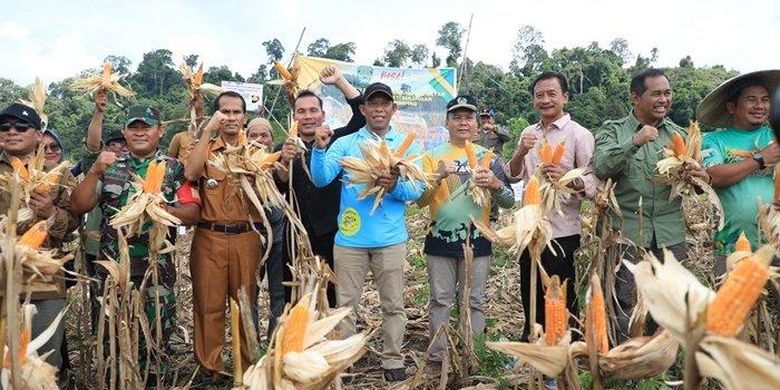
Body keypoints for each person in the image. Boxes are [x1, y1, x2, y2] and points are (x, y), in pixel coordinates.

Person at [70, 105, 201, 379]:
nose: (140, 133)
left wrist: (157, 207)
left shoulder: (174, 169)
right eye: (133, 128)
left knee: (156, 335)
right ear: (125, 132)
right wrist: (94, 171)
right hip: (112, 269)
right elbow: (79, 205)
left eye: (147, 127)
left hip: (156, 270)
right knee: (111, 336)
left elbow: (192, 213)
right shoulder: (109, 167)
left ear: (160, 130)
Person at [310, 82, 423, 382]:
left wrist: (394, 186)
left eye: (385, 103)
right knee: (346, 306)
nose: (379, 109)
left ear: (393, 109)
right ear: (363, 109)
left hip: (390, 240)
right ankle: (344, 359)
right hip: (350, 240)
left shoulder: (407, 145)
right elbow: (321, 179)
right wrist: (319, 150)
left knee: (393, 305)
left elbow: (417, 188)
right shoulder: (346, 143)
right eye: (373, 104)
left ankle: (393, 360)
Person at [593, 68, 710, 342]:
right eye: (656, 93)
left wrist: (697, 177)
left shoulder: (679, 134)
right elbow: (601, 166)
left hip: (670, 233)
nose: (663, 99)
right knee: (624, 299)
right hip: (626, 233)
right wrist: (634, 142)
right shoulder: (614, 130)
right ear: (635, 98)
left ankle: (663, 363)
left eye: (667, 93)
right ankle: (625, 364)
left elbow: (696, 188)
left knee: (671, 298)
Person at [417, 95, 514, 374]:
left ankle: (474, 353)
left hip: (478, 240)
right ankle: (438, 357)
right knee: (440, 299)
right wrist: (436, 177)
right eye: (456, 117)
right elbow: (420, 202)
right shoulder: (432, 156)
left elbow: (508, 201)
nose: (463, 122)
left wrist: (495, 184)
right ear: (446, 122)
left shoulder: (489, 158)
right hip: (440, 240)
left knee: (473, 301)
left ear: (476, 125)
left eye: (468, 117)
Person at [507, 71, 598, 341]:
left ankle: (565, 347)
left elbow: (594, 180)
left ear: (565, 97)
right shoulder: (528, 134)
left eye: (551, 94)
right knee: (530, 290)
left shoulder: (579, 135)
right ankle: (532, 342)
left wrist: (569, 180)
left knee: (561, 296)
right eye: (539, 95)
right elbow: (513, 175)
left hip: (561, 232)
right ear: (533, 101)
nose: (545, 100)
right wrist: (521, 151)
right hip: (529, 230)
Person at [184, 91, 265, 384]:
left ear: (244, 116)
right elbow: (191, 173)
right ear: (217, 115)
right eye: (225, 112)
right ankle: (210, 369)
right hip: (210, 237)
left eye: (236, 112)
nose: (231, 118)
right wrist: (207, 130)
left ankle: (246, 368)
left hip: (247, 237)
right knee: (208, 304)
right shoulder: (205, 148)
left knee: (246, 304)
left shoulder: (255, 152)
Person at [273, 65, 364, 316]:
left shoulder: (337, 140)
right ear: (294, 117)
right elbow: (276, 188)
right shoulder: (285, 148)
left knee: (332, 296)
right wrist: (283, 164)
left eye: (314, 110)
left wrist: (339, 81)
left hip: (332, 232)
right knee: (296, 297)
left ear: (323, 115)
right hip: (296, 235)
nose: (308, 116)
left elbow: (361, 115)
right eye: (301, 111)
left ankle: (329, 349)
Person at [0, 103, 80, 369]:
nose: (11, 132)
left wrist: (51, 213)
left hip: (43, 281)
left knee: (44, 361)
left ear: (38, 134)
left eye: (21, 127)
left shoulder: (57, 172)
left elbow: (73, 222)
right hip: (2, 278)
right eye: (4, 127)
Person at [698, 70, 780, 277]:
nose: (760, 106)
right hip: (731, 242)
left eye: (765, 100)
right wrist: (760, 159)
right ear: (731, 107)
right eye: (751, 100)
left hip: (776, 239)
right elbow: (715, 175)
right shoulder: (713, 141)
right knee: (732, 307)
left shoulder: (776, 136)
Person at [246, 117, 287, 337]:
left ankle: (275, 345)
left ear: (272, 139)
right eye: (253, 135)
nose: (259, 140)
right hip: (249, 237)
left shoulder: (281, 160)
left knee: (279, 292)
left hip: (278, 236)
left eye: (265, 135)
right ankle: (250, 345)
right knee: (250, 291)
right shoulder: (237, 162)